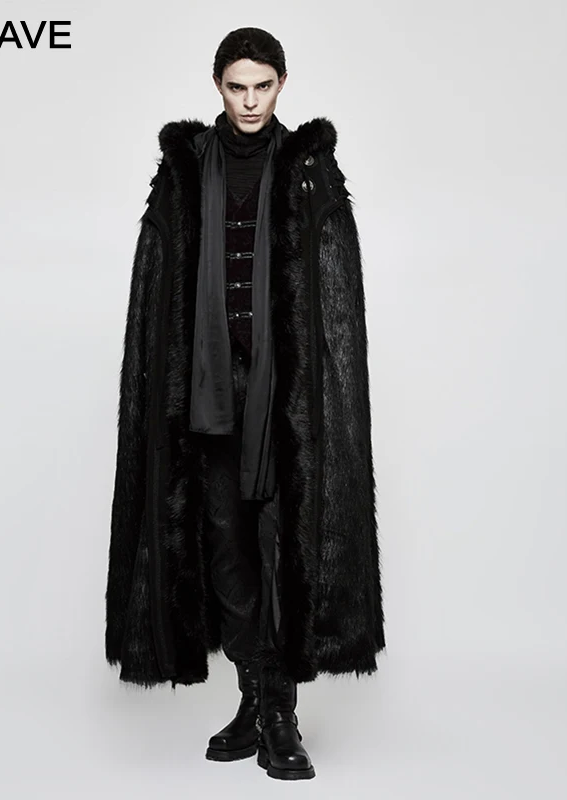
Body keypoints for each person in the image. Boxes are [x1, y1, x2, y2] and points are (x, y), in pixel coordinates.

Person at [105, 27, 385, 781]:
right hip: (205, 392)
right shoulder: (185, 168)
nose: (251, 101)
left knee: (279, 545)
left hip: (284, 397)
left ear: (281, 85)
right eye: (237, 87)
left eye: (263, 86)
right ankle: (253, 698)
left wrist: (316, 393)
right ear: (218, 88)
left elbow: (336, 296)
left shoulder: (308, 170)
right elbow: (155, 286)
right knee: (224, 544)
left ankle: (280, 712)